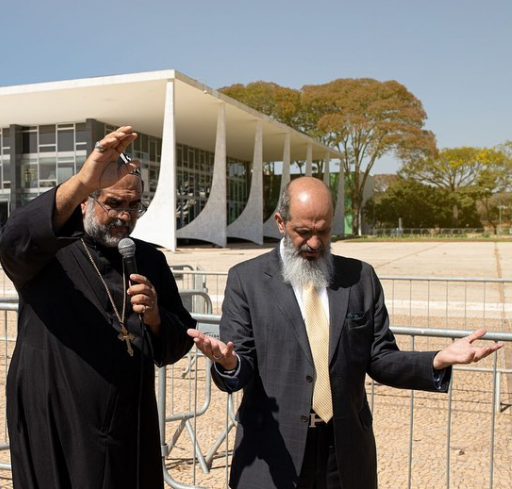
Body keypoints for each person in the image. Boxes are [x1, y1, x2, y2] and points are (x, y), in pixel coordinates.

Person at [188, 176, 503, 489]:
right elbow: (239, 364)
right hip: (274, 451)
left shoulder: (360, 277)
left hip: (344, 453)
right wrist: (228, 363)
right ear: (281, 223)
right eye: (304, 232)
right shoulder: (246, 280)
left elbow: (380, 359)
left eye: (324, 231)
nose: (315, 243)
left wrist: (437, 360)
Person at [0, 125, 197, 489]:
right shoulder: (48, 255)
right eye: (114, 203)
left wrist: (156, 317)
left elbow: (177, 341)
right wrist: (82, 181)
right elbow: (14, 240)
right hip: (58, 422)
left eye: (133, 206)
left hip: (128, 424)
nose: (125, 216)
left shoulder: (148, 259)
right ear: (85, 202)